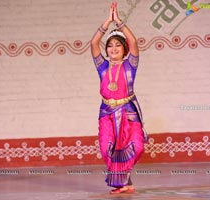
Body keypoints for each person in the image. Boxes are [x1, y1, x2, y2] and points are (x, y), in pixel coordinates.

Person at [91, 1, 149, 194]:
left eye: (118, 45)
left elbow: (134, 42)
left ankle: (126, 180)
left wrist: (119, 23)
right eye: (110, 46)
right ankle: (124, 183)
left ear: (124, 50)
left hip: (128, 111)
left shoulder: (130, 65)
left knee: (137, 147)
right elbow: (93, 43)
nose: (113, 48)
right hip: (107, 112)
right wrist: (107, 22)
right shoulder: (102, 66)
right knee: (107, 148)